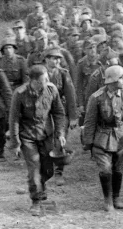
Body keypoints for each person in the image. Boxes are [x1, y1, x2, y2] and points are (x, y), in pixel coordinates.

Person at [82, 65, 123, 212]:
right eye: (121, 78)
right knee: (105, 169)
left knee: (118, 169)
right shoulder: (96, 98)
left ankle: (116, 197)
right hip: (102, 138)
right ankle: (107, 199)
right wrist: (88, 144)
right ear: (112, 81)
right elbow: (89, 122)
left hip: (122, 137)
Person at [8, 65, 68, 216]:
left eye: (48, 78)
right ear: (34, 81)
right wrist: (15, 143)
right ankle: (36, 200)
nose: (48, 81)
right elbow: (14, 119)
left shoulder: (51, 90)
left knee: (48, 169)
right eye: (44, 79)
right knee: (34, 166)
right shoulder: (20, 93)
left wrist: (60, 133)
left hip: (46, 134)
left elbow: (59, 113)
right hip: (27, 136)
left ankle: (40, 187)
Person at [43, 48, 79, 186]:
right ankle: (47, 170)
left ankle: (59, 172)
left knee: (60, 139)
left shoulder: (63, 74)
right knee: (45, 139)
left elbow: (70, 95)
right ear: (46, 59)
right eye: (53, 58)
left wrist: (73, 116)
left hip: (61, 110)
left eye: (58, 58)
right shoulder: (39, 72)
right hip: (44, 111)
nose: (56, 61)